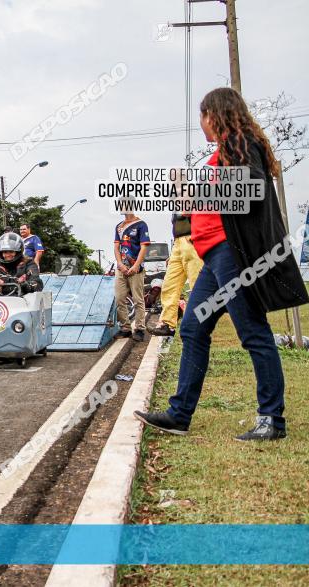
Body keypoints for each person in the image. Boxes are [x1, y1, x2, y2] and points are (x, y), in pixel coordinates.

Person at [135, 87, 309, 441]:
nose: (201, 123)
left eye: (203, 115)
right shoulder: (224, 151)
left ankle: (271, 419)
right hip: (214, 258)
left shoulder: (240, 143)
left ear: (216, 113)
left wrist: (200, 194)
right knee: (193, 328)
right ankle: (180, 414)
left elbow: (252, 189)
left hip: (232, 255)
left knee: (253, 331)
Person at [148, 215, 204, 337]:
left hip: (194, 237)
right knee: (169, 286)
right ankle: (167, 324)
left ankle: (200, 325)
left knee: (198, 285)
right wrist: (176, 248)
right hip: (178, 242)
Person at [113, 212, 150, 342]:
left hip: (136, 269)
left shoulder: (141, 225)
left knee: (138, 299)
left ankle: (140, 329)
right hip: (121, 269)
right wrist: (119, 263)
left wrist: (136, 265)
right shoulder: (118, 226)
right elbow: (116, 247)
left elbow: (144, 247)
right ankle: (125, 328)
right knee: (119, 298)